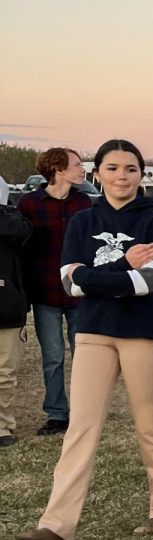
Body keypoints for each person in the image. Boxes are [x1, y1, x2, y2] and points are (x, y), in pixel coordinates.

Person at [15, 139, 153, 540]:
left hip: (144, 332)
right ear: (98, 174)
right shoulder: (81, 222)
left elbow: (148, 283)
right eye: (112, 168)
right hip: (93, 332)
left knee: (150, 422)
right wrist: (121, 266)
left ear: (140, 175)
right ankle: (57, 525)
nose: (121, 176)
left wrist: (98, 276)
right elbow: (70, 283)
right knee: (80, 427)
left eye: (130, 169)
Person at [17, 147, 93, 435]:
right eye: (76, 165)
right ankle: (57, 414)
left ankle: (86, 411)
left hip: (80, 292)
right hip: (45, 293)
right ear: (59, 169)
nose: (82, 169)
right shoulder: (29, 203)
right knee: (53, 356)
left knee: (84, 355)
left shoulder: (84, 202)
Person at [0, 176, 33, 448]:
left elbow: (21, 232)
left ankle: (2, 427)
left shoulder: (13, 221)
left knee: (4, 371)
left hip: (7, 306)